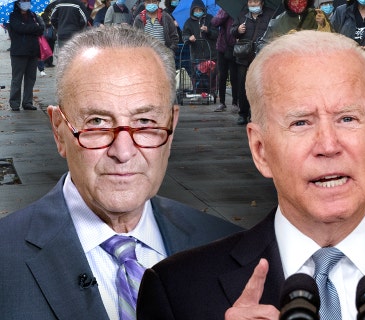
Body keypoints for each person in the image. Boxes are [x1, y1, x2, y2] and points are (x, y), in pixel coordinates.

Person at [136, 30, 365, 320]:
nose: (328, 145)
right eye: (301, 122)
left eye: (347, 119)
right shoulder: (177, 293)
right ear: (260, 149)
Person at [0, 25, 243, 319]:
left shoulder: (233, 251)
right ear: (60, 131)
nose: (123, 151)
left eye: (144, 121)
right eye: (98, 122)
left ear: (172, 124)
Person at [230, 0, 274, 125]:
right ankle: (242, 113)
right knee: (243, 85)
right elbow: (232, 31)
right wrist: (238, 30)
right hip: (244, 56)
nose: (253, 4)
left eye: (256, 1)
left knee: (261, 86)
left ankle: (257, 114)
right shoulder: (242, 14)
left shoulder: (270, 14)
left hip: (262, 56)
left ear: (262, 2)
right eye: (250, 1)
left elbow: (274, 31)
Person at [9, 0, 44, 111]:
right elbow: (19, 28)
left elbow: (41, 29)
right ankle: (15, 103)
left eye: (28, 1)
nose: (26, 3)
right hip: (19, 52)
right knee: (17, 78)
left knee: (30, 78)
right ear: (18, 3)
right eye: (24, 1)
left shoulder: (33, 15)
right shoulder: (13, 16)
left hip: (33, 51)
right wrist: (34, 27)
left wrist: (29, 27)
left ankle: (27, 102)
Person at [182, 0, 217, 99]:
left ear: (203, 9)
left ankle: (212, 93)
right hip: (196, 55)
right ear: (192, 11)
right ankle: (197, 94)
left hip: (211, 54)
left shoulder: (210, 19)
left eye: (200, 9)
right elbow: (184, 35)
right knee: (197, 77)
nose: (198, 11)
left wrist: (208, 30)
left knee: (211, 77)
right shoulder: (188, 22)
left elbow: (216, 34)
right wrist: (189, 38)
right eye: (196, 10)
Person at [211, 8, 239, 112]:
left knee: (234, 77)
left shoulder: (239, 11)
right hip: (222, 47)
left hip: (235, 47)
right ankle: (222, 102)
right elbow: (214, 22)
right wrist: (226, 12)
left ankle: (235, 102)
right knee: (222, 75)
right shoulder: (223, 10)